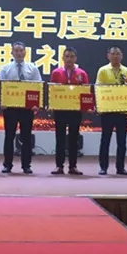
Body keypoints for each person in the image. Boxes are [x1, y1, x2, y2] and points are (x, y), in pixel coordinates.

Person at [0, 41, 42, 174]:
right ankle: (7, 165)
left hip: (27, 108)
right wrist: (2, 102)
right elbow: (1, 87)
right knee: (9, 136)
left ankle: (26, 165)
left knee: (26, 137)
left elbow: (38, 87)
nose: (18, 53)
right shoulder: (5, 68)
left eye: (21, 50)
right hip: (10, 107)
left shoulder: (32, 68)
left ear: (25, 52)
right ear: (11, 52)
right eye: (16, 51)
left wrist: (36, 104)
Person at [49, 47, 89, 175]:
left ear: (75, 58)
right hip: (60, 110)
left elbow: (86, 92)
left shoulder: (82, 73)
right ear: (62, 58)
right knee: (60, 138)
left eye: (72, 57)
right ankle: (59, 166)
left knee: (74, 139)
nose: (69, 59)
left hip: (75, 111)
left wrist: (87, 106)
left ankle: (73, 166)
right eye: (67, 56)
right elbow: (52, 91)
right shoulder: (56, 73)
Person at [96, 46, 127, 175]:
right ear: (108, 56)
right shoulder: (103, 70)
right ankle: (103, 167)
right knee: (105, 139)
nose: (115, 56)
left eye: (118, 54)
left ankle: (120, 167)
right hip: (108, 110)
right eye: (113, 54)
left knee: (122, 141)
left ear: (122, 56)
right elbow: (99, 89)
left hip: (122, 110)